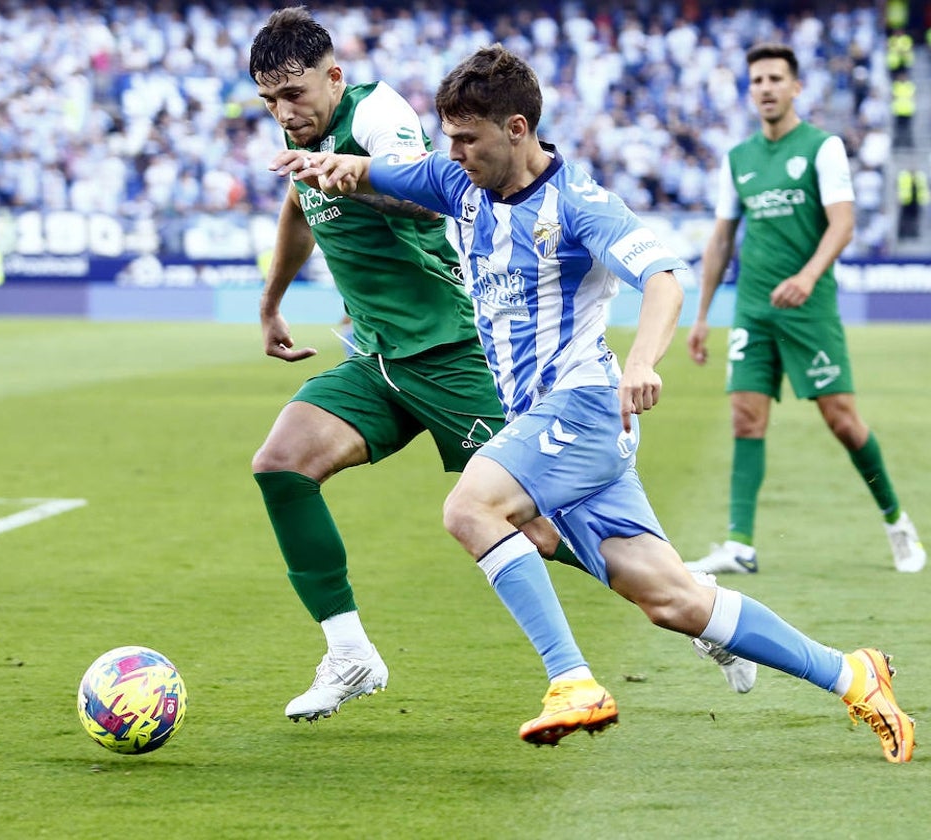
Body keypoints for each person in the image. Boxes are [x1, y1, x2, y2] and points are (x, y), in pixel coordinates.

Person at [272, 44, 914, 762]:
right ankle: (852, 672)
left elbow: (664, 277)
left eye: (465, 138)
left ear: (517, 129)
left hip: (583, 410)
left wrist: (643, 359)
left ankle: (571, 680)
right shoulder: (459, 183)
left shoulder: (580, 204)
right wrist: (330, 166)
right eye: (446, 138)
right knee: (673, 598)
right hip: (548, 425)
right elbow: (373, 172)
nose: (450, 153)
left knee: (470, 507)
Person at [248, 7, 620, 724]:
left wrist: (348, 175)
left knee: (542, 529)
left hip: (450, 348)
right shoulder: (301, 129)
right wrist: (270, 304)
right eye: (269, 101)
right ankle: (350, 654)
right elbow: (301, 205)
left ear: (334, 76)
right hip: (381, 357)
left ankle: (680, 592)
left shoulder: (377, 115)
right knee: (282, 464)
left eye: (293, 95)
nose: (282, 112)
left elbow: (430, 205)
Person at [685, 43, 925, 576]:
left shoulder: (823, 147)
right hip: (753, 309)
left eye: (775, 79)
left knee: (842, 420)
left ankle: (895, 521)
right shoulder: (738, 158)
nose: (765, 88)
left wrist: (806, 276)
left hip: (808, 309)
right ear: (749, 91)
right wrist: (702, 316)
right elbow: (722, 239)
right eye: (756, 81)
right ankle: (740, 544)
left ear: (796, 87)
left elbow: (843, 224)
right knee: (745, 418)